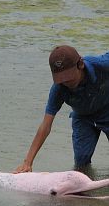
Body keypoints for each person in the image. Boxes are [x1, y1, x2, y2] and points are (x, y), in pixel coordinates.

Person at [14, 45, 109, 173]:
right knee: (81, 164)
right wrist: (28, 162)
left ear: (80, 64)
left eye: (69, 77)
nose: (66, 82)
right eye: (61, 79)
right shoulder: (59, 89)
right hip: (83, 118)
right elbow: (45, 126)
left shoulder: (101, 64)